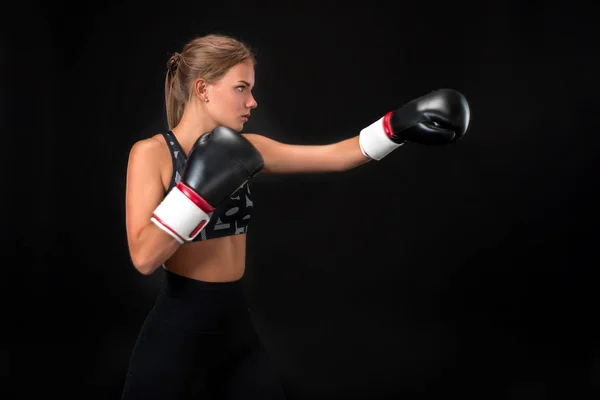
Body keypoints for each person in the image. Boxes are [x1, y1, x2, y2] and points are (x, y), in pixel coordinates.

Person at [121, 33, 470, 399]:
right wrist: (195, 195)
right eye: (241, 88)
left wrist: (398, 125)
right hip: (179, 326)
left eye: (251, 89)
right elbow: (144, 258)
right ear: (203, 89)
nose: (252, 101)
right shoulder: (152, 153)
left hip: (235, 326)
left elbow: (337, 156)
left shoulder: (247, 148)